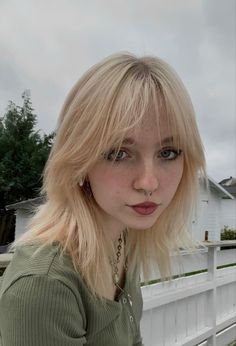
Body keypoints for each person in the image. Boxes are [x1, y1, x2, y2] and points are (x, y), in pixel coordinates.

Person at [0, 52, 205, 346]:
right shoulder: (44, 286)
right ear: (79, 161)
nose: (148, 182)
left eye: (168, 153)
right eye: (119, 153)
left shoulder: (122, 239)